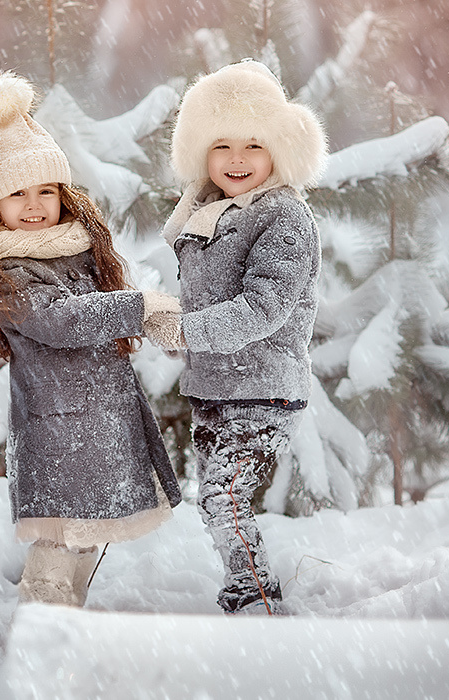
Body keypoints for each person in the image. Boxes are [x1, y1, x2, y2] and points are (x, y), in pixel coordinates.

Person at [0, 69, 183, 608]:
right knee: (59, 539)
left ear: (63, 194)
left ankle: (67, 621)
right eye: (17, 193)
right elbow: (59, 320)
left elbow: (96, 315)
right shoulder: (4, 267)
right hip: (58, 426)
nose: (33, 204)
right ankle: (45, 624)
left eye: (45, 190)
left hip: (104, 417)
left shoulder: (78, 249)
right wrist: (139, 309)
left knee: (91, 534)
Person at [145, 60, 328, 616]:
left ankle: (256, 599)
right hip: (216, 387)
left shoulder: (284, 216)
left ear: (280, 148)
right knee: (216, 501)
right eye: (221, 145)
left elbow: (263, 308)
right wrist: (165, 320)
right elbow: (205, 304)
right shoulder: (205, 214)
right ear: (200, 151)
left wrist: (186, 328)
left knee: (225, 496)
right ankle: (245, 585)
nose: (237, 160)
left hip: (264, 386)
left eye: (254, 144)